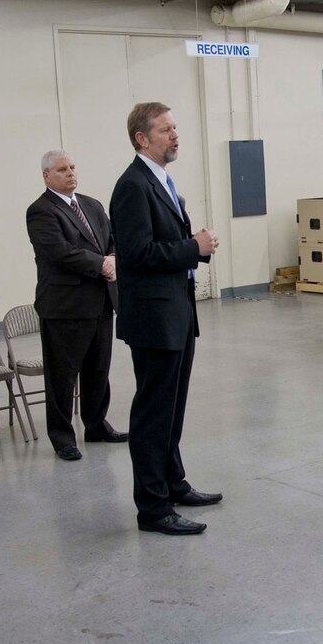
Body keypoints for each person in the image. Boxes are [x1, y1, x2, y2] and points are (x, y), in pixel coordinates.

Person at [110, 102, 221, 536]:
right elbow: (136, 255)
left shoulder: (162, 182)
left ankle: (174, 484)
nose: (175, 135)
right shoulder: (133, 186)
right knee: (153, 413)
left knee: (172, 409)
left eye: (175, 127)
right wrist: (194, 247)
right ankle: (153, 508)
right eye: (165, 130)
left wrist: (196, 247)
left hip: (176, 310)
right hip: (154, 316)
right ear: (142, 138)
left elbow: (166, 245)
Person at [26, 150, 126, 461]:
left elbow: (112, 238)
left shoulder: (92, 205)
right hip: (65, 307)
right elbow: (59, 252)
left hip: (100, 301)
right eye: (61, 169)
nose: (70, 173)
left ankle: (96, 425)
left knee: (98, 369)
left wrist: (111, 259)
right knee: (62, 375)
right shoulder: (41, 211)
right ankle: (62, 437)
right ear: (47, 176)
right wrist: (101, 265)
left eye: (72, 167)